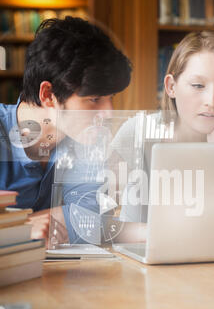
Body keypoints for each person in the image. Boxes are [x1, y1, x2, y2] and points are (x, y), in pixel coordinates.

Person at [109, 30, 214, 241]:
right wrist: (152, 233)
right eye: (198, 86)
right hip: (142, 266)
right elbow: (89, 220)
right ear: (171, 87)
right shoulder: (137, 133)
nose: (211, 101)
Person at [0, 16, 132, 243]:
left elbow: (89, 220)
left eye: (110, 98)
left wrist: (13, 226)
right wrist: (21, 230)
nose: (108, 113)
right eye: (94, 99)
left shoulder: (85, 141)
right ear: (48, 95)